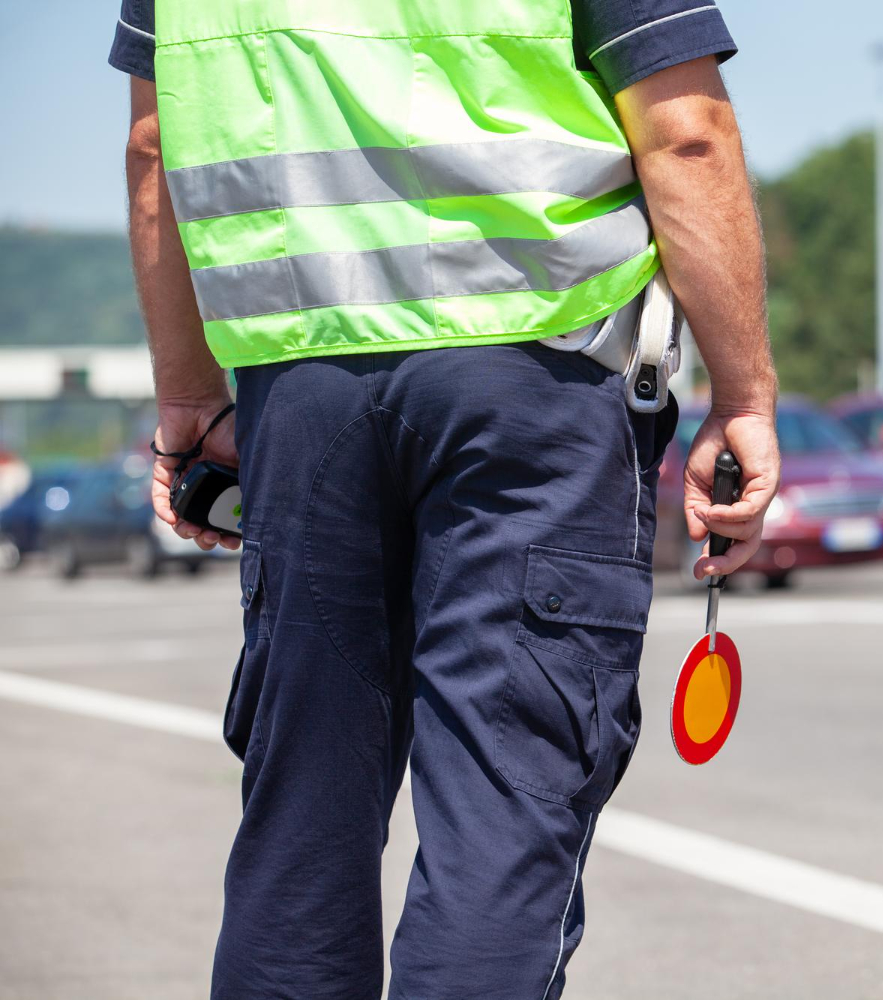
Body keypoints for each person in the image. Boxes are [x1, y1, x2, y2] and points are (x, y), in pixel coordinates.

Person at [109, 0, 780, 996]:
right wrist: (746, 393)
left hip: (304, 395)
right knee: (502, 820)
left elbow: (156, 154)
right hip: (533, 394)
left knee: (301, 834)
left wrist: (189, 395)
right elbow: (686, 132)